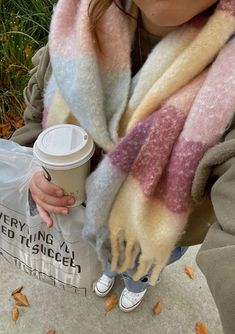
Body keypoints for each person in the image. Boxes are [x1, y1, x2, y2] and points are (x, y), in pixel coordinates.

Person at [11, 0, 235, 330]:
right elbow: (37, 112)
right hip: (89, 207)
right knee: (106, 254)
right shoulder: (78, 18)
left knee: (141, 266)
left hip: (157, 231)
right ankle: (110, 267)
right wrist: (33, 165)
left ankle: (136, 283)